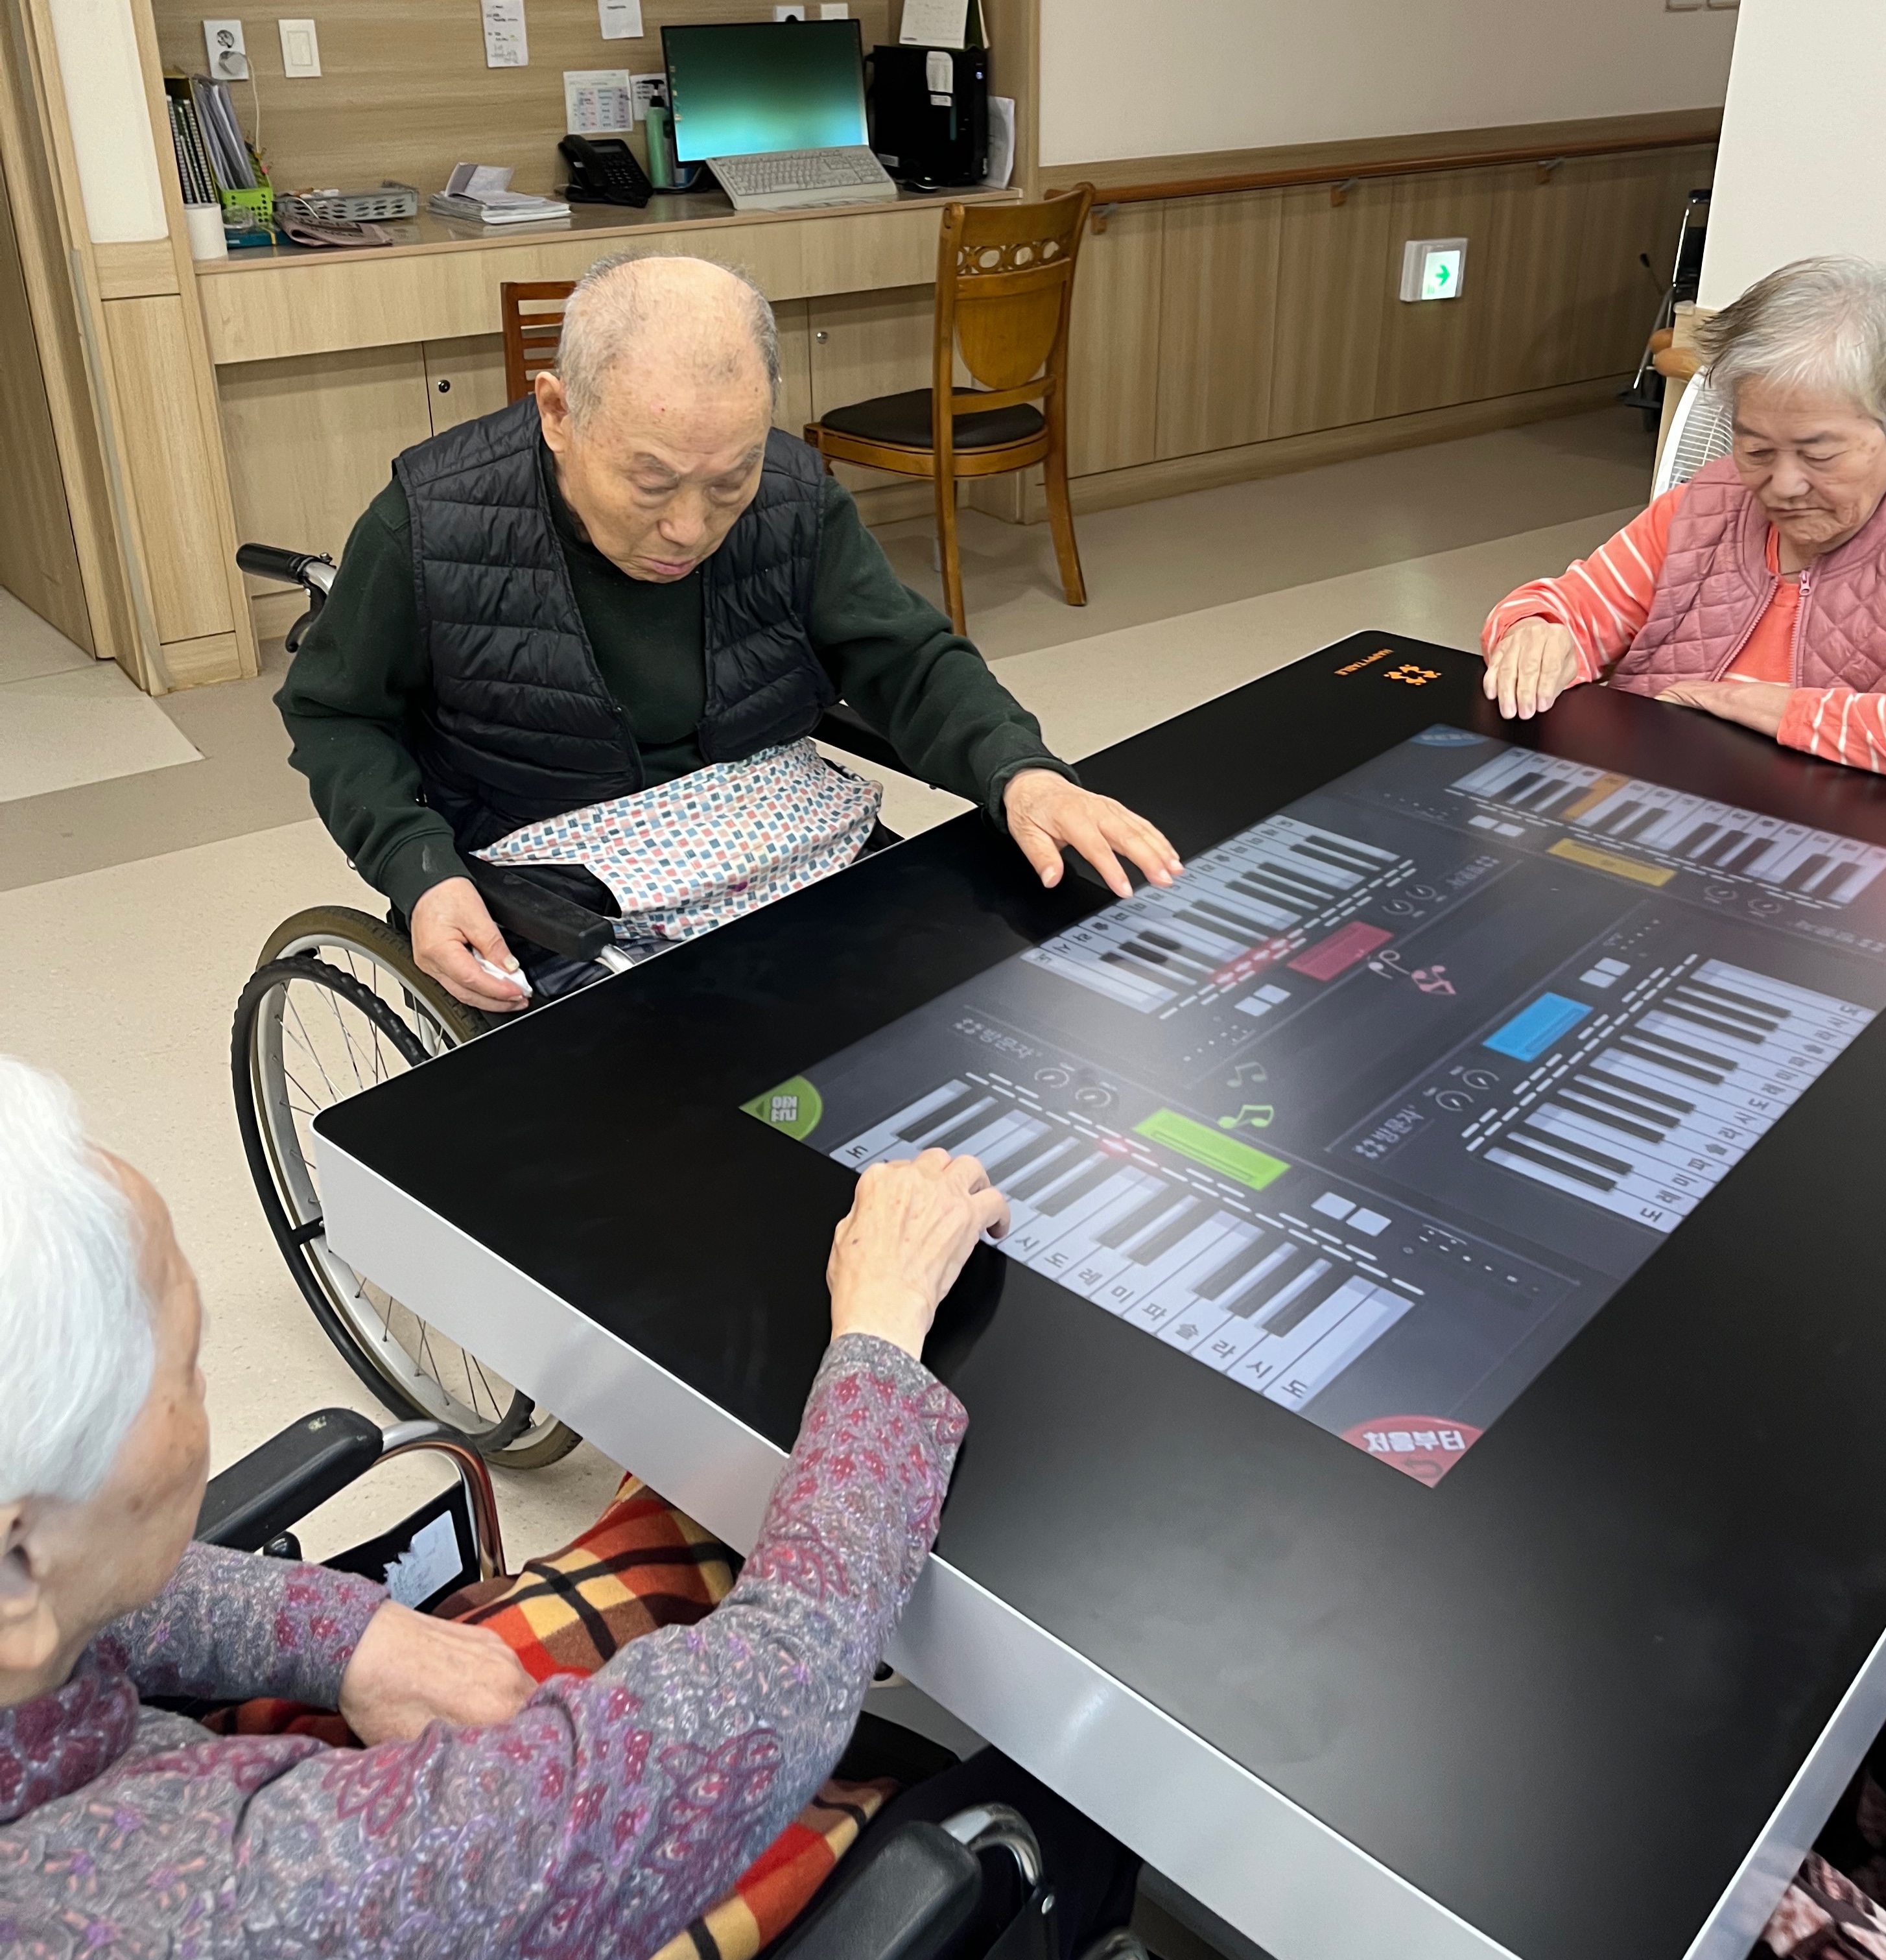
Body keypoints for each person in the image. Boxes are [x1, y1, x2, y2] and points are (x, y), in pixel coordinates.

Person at [0, 1054, 1135, 1955]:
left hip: (191, 1762)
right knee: (1082, 1795)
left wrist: (344, 1633)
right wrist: (881, 1329)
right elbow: (767, 1694)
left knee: (680, 1524)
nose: (200, 1388)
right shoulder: (226, 1899)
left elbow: (89, 1594)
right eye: (186, 1369)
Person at [276, 253, 1181, 1010]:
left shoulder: (791, 492)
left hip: (769, 837)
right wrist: (419, 869)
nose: (688, 527)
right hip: (546, 878)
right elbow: (335, 713)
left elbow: (904, 655)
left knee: (971, 1003)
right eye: (651, 481)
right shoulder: (433, 518)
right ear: (557, 412)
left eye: (728, 480)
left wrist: (1020, 771)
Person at [1481, 256, 1886, 788]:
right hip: (1650, 799)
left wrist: (1727, 703)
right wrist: (1535, 633)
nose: (1782, 485)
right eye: (1756, 450)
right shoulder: (1704, 505)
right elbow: (1563, 608)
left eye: (1818, 455)